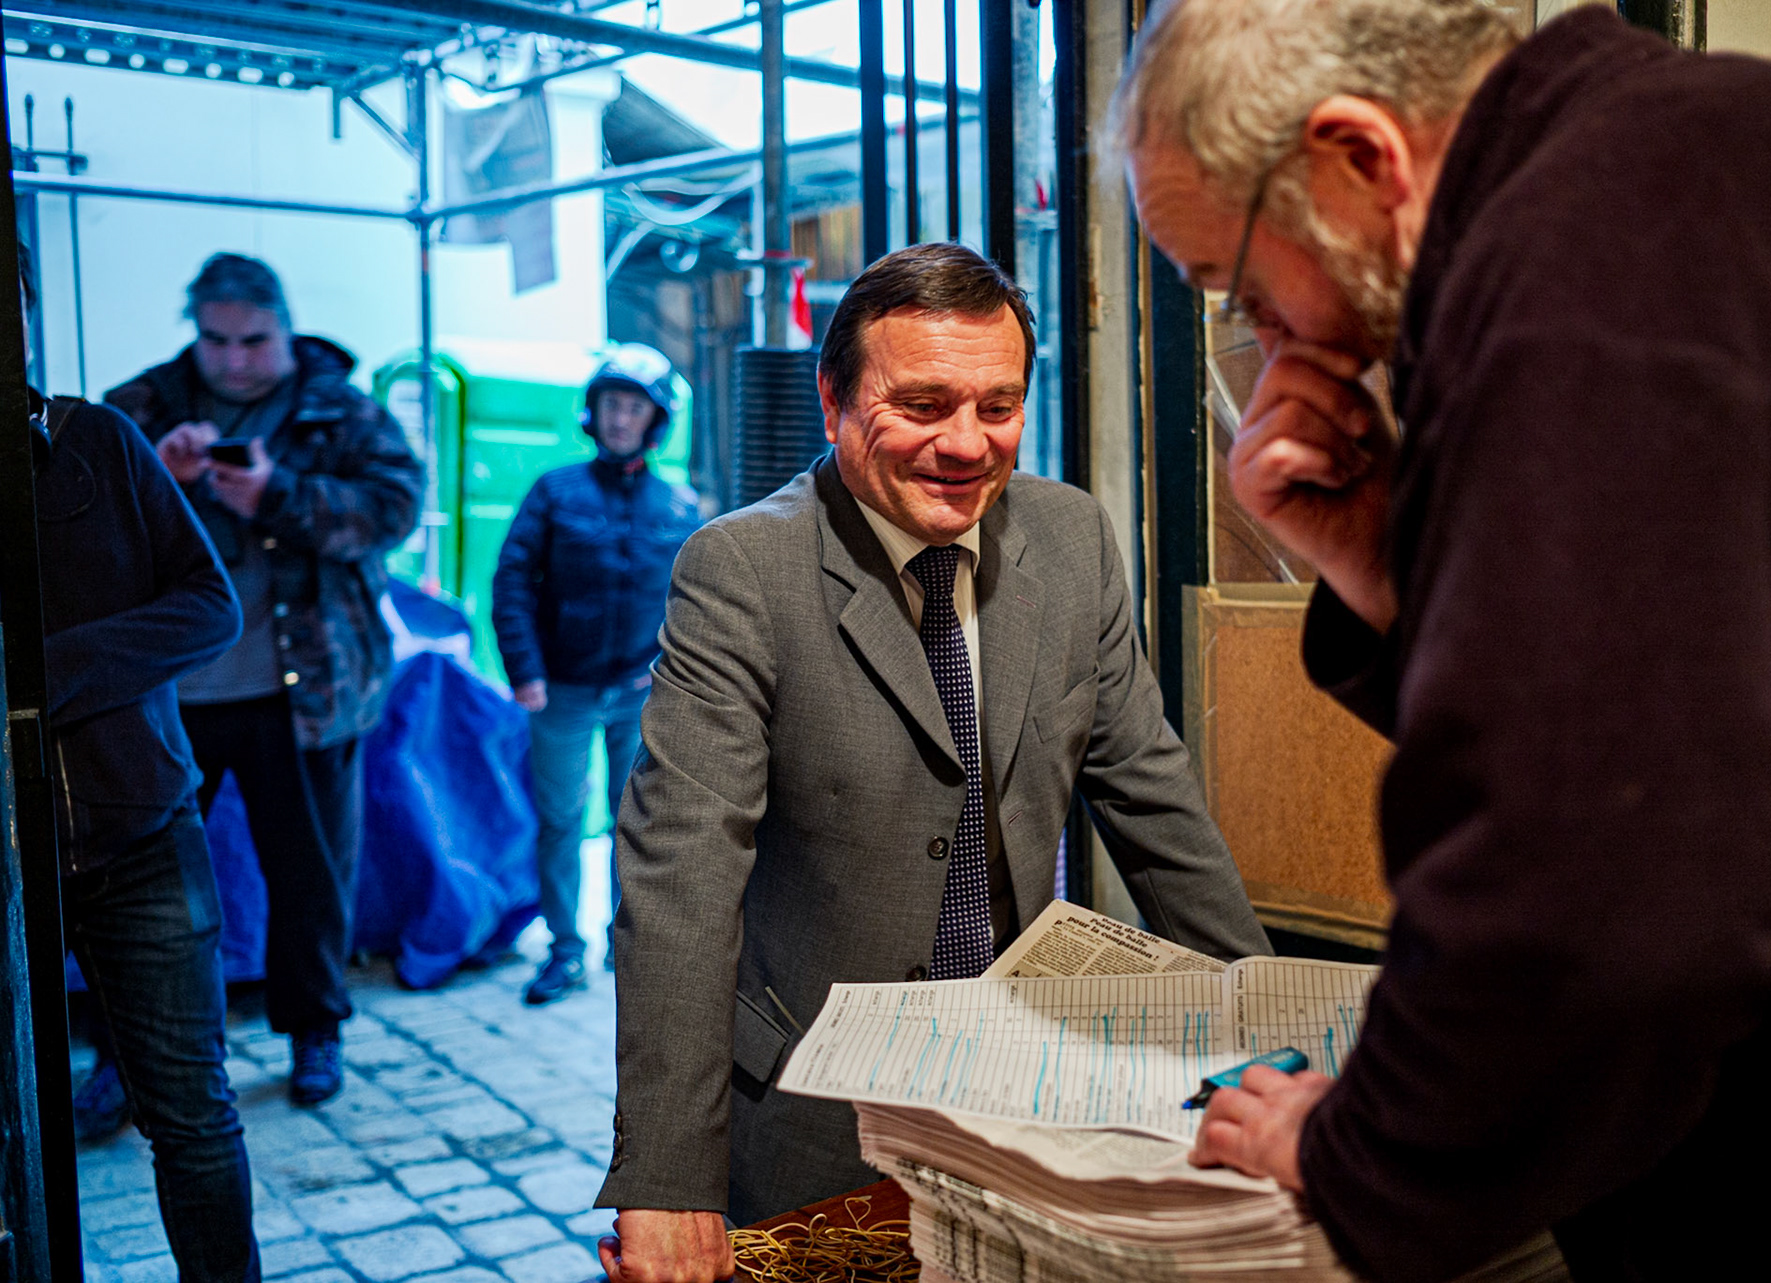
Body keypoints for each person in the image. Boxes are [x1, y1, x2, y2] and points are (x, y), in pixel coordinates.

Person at [1115, 2, 1771, 1280]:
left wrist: (1362, 1149)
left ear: (1357, 157)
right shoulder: (1741, 145)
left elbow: (1603, 888)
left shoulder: (1587, 265)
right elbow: (1703, 707)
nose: (1275, 348)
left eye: (1249, 291)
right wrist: (1385, 570)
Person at [594, 242, 1272, 1281]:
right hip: (810, 1106)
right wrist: (668, 1175)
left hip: (1016, 1089)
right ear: (833, 400)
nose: (966, 445)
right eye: (922, 404)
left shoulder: (1072, 537)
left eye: (997, 406)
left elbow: (1153, 795)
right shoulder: (743, 570)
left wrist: (1268, 1033)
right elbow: (680, 876)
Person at [106, 253, 424, 1106]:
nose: (236, 358)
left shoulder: (340, 408)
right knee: (142, 888)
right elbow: (79, 522)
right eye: (217, 339)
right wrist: (154, 477)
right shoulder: (137, 408)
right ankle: (124, 1051)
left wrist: (278, 495)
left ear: (284, 329)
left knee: (311, 877)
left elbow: (395, 506)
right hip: (168, 693)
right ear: (194, 332)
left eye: (255, 339)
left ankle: (315, 1032)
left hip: (311, 693)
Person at [25, 255, 262, 1281]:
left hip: (140, 828)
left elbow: (210, 605)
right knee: (19, 1131)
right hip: (10, 849)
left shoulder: (97, 441)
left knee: (192, 1116)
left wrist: (39, 680)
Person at [491, 345, 702, 1006]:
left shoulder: (679, 504)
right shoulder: (555, 492)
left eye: (633, 406)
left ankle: (625, 942)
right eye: (611, 404)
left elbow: (694, 601)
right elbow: (512, 585)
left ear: (654, 419)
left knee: (633, 820)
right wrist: (525, 671)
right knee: (559, 819)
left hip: (638, 695)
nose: (619, 418)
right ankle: (564, 948)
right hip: (559, 691)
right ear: (594, 411)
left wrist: (669, 673)